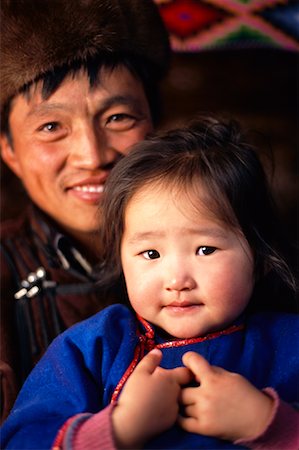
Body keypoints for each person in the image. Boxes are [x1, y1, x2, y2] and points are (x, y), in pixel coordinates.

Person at [1, 117, 298, 449]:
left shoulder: (289, 343)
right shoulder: (93, 347)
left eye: (205, 249)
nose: (176, 280)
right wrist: (119, 428)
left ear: (258, 258)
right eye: (151, 253)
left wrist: (266, 422)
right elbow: (20, 439)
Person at [0, 0, 170, 422]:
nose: (92, 155)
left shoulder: (231, 246)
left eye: (117, 117)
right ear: (8, 150)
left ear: (155, 126)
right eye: (51, 127)